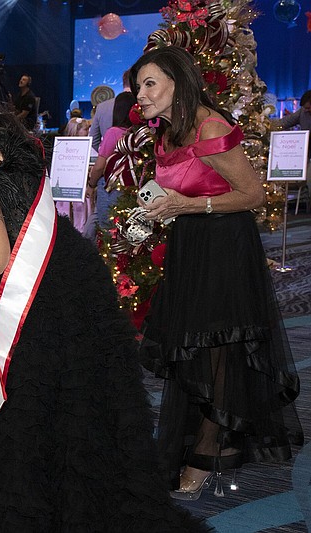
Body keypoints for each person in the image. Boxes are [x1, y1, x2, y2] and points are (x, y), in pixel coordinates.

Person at [0, 49, 207, 531]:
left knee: (13, 407)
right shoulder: (1, 140)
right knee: (71, 407)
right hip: (69, 282)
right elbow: (7, 232)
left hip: (34, 300)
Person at [131, 46, 303, 500]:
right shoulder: (167, 132)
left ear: (177, 81)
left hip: (225, 245)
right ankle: (206, 440)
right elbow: (178, 186)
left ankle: (208, 453)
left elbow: (252, 195)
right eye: (138, 87)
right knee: (195, 349)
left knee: (219, 347)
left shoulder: (210, 125)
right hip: (191, 244)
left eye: (149, 84)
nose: (140, 95)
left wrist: (191, 205)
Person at [88, 91, 137, 230]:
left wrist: (91, 185)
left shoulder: (113, 133)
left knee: (108, 230)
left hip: (112, 187)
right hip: (131, 187)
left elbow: (99, 166)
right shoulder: (137, 133)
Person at [273, 89, 311, 192]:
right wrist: (268, 126)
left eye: (308, 108)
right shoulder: (303, 112)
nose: (306, 110)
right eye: (305, 108)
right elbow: (286, 121)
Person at [89, 70, 131, 152]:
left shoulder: (102, 107)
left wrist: (106, 154)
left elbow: (93, 140)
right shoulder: (142, 105)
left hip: (108, 161)